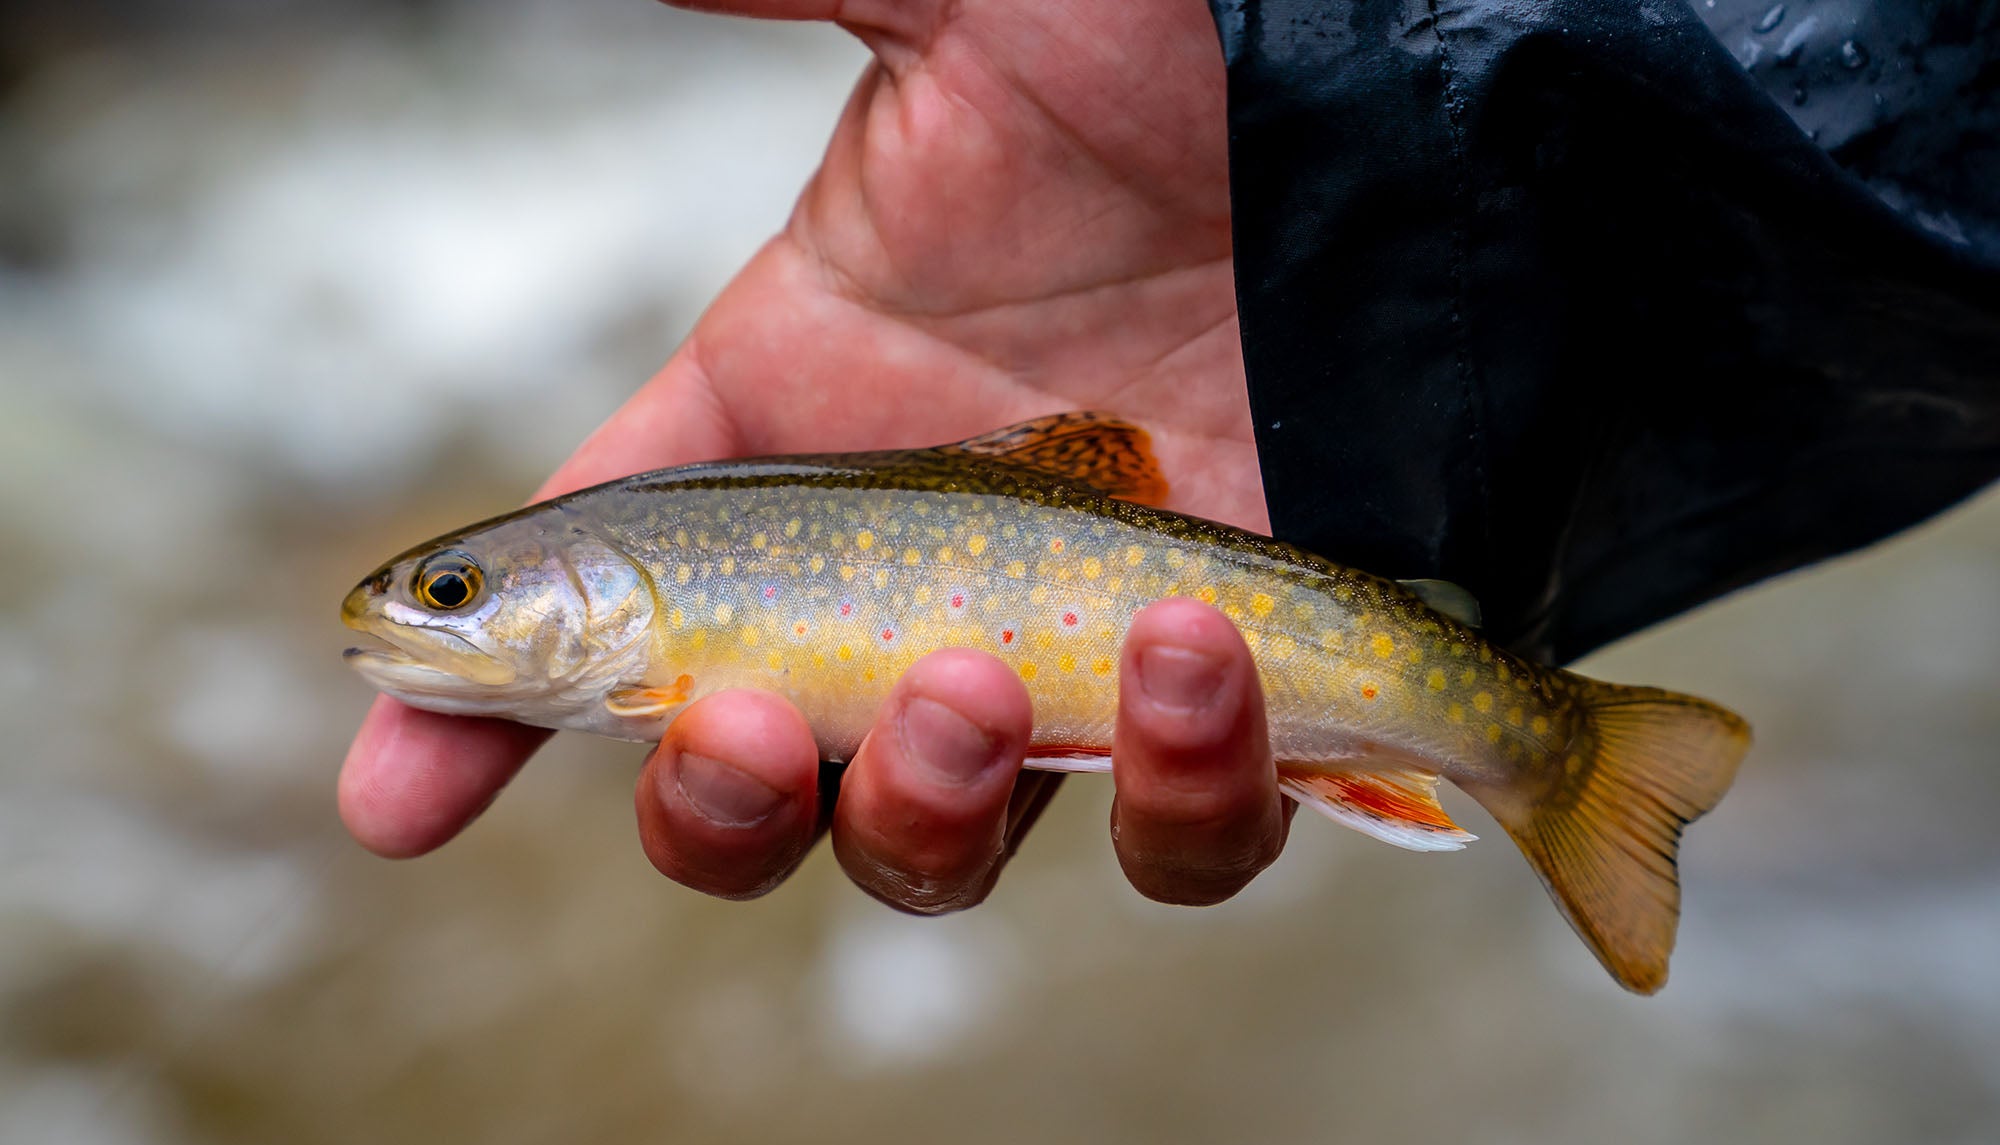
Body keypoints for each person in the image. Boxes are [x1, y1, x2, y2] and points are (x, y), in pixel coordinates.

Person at [341, 0, 2000, 908]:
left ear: (578, 587)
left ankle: (1557, 755)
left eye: (456, 590)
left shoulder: (658, 602)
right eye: (449, 592)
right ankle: (1540, 748)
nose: (418, 616)